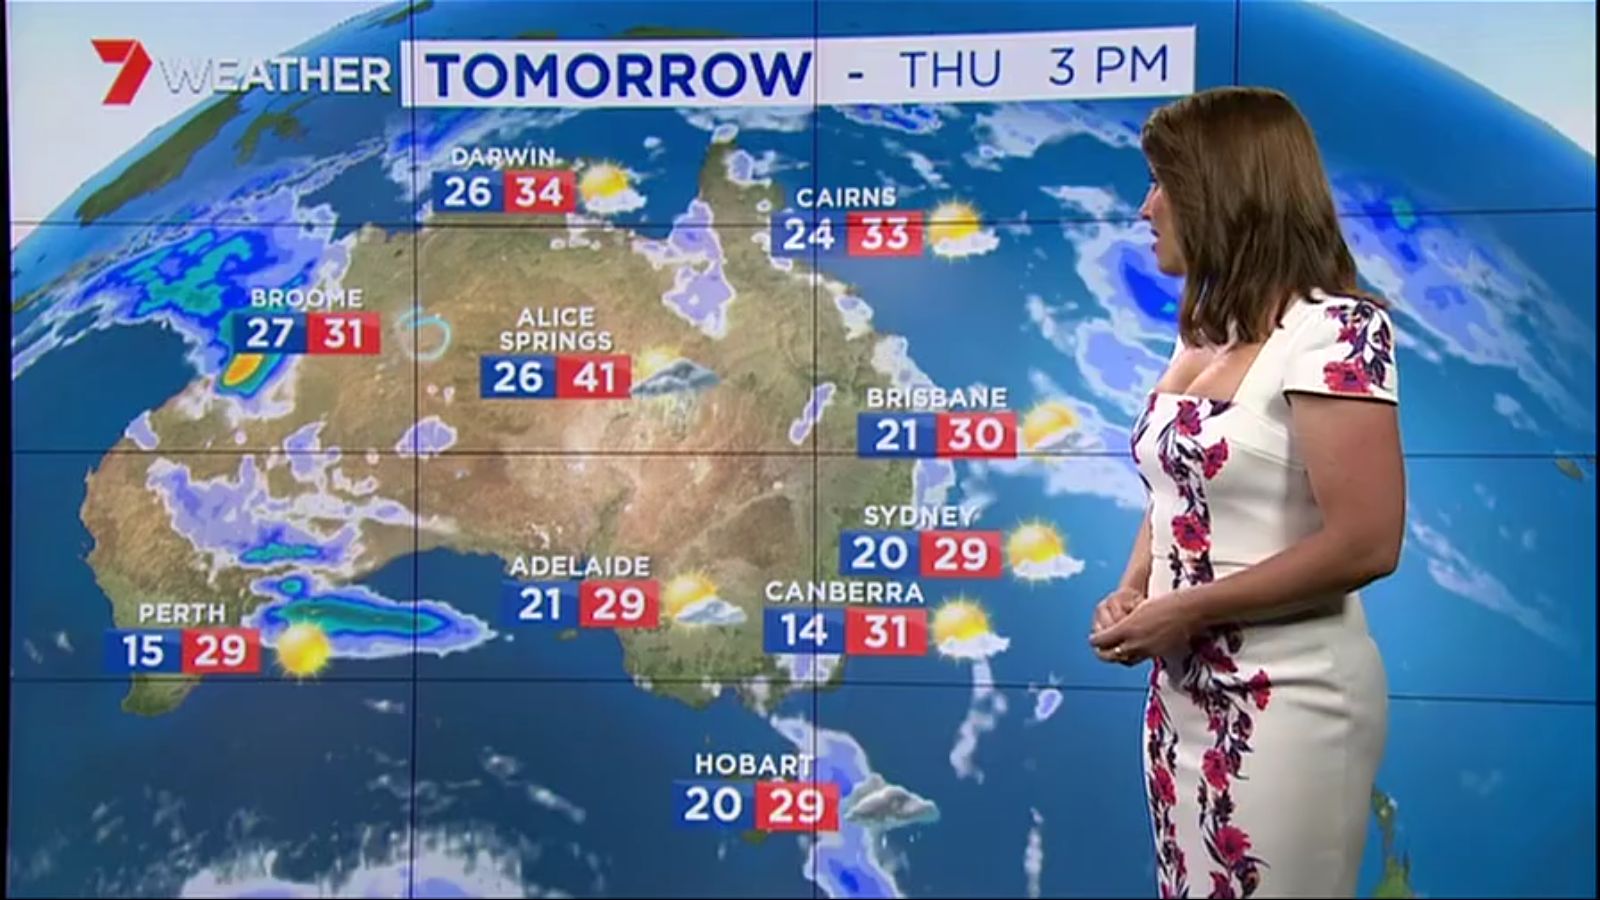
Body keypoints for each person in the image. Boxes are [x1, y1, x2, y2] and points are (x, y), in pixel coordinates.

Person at [1087, 86, 1406, 899]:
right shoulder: (1205, 334)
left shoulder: (1337, 332)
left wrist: (1187, 610)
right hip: (1181, 699)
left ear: (1220, 192)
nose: (1146, 208)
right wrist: (1134, 588)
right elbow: (1178, 486)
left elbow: (1368, 542)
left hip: (1289, 703)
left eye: (1162, 183)